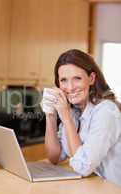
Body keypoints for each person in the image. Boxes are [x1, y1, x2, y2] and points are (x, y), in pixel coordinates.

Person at [42, 49, 121, 186]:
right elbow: (55, 156)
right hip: (93, 188)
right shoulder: (74, 111)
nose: (70, 87)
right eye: (64, 80)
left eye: (77, 78)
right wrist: (51, 115)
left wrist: (65, 117)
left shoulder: (106, 111)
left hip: (114, 192)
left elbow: (83, 167)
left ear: (91, 78)